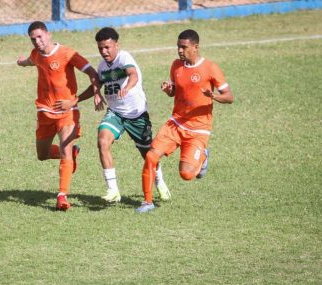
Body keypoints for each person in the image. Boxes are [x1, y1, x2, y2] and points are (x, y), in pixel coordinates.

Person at [138, 29, 234, 213]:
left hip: (198, 129)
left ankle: (203, 155)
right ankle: (147, 202)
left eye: (184, 47)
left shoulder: (210, 68)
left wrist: (213, 96)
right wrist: (168, 89)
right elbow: (175, 91)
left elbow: (229, 97)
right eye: (178, 47)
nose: (180, 51)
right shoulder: (176, 65)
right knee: (151, 156)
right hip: (176, 123)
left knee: (187, 174)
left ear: (195, 47)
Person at [17, 21, 102, 211]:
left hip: (68, 111)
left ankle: (62, 196)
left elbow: (93, 73)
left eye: (40, 36)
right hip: (45, 112)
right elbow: (30, 61)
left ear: (48, 34)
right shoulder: (36, 55)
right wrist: (21, 62)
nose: (37, 42)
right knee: (42, 155)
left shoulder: (67, 53)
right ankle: (73, 154)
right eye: (33, 39)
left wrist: (91, 95)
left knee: (65, 148)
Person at [78, 27, 170, 203]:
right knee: (102, 141)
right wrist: (84, 97)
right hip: (116, 113)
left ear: (116, 45)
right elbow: (97, 83)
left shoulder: (124, 57)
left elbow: (133, 74)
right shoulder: (102, 66)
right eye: (100, 48)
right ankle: (113, 190)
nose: (104, 52)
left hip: (137, 115)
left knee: (148, 155)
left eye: (107, 47)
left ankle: (160, 182)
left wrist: (127, 88)